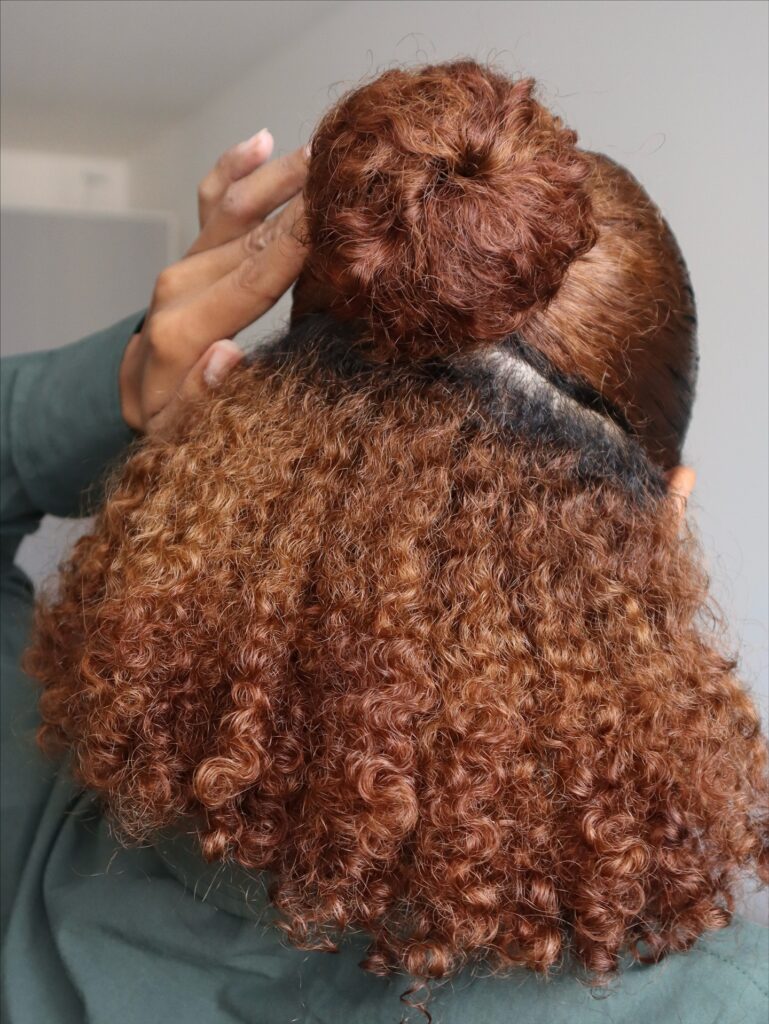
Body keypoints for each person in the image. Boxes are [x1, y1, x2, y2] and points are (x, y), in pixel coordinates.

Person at [1, 60, 767, 1024]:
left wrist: (126, 384)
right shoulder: (718, 1002)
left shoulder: (36, 813)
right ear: (667, 519)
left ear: (234, 453)